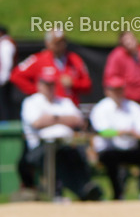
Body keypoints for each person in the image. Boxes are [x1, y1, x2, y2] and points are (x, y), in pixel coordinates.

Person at [20, 66, 101, 200]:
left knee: (77, 153)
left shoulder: (64, 101)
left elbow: (79, 120)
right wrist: (63, 119)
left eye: (52, 84)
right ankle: (58, 193)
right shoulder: (31, 102)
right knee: (56, 154)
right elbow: (37, 122)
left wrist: (52, 118)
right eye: (46, 84)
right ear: (39, 84)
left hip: (67, 144)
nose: (49, 87)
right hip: (41, 147)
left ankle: (86, 190)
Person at [89, 76, 140, 200]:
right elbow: (102, 131)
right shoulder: (101, 108)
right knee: (110, 159)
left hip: (131, 148)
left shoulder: (133, 107)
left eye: (120, 89)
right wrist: (122, 132)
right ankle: (117, 195)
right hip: (110, 149)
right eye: (114, 89)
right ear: (107, 91)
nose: (118, 93)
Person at [11, 28, 92, 105]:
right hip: (46, 107)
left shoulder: (74, 59)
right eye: (56, 43)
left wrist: (73, 83)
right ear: (48, 43)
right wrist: (37, 91)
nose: (60, 45)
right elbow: (16, 75)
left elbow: (87, 85)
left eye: (63, 42)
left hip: (70, 107)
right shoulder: (38, 59)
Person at [103, 31, 140, 121]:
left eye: (130, 39)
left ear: (136, 39)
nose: (128, 42)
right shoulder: (116, 57)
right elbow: (109, 82)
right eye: (125, 40)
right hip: (127, 106)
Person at [0, 24, 16, 120]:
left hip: (4, 81)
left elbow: (7, 63)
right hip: (4, 80)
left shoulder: (6, 44)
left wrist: (2, 80)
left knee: (4, 105)